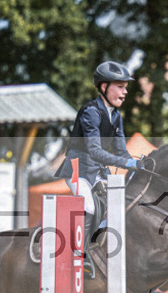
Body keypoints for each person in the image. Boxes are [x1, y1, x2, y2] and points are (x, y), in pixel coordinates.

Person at [55, 61, 138, 232]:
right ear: (104, 87)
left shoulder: (116, 116)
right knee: (90, 208)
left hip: (98, 171)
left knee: (120, 205)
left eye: (125, 87)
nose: (125, 92)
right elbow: (94, 151)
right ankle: (81, 255)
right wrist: (126, 163)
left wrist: (138, 164)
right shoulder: (90, 112)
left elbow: (121, 151)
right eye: (121, 87)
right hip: (78, 171)